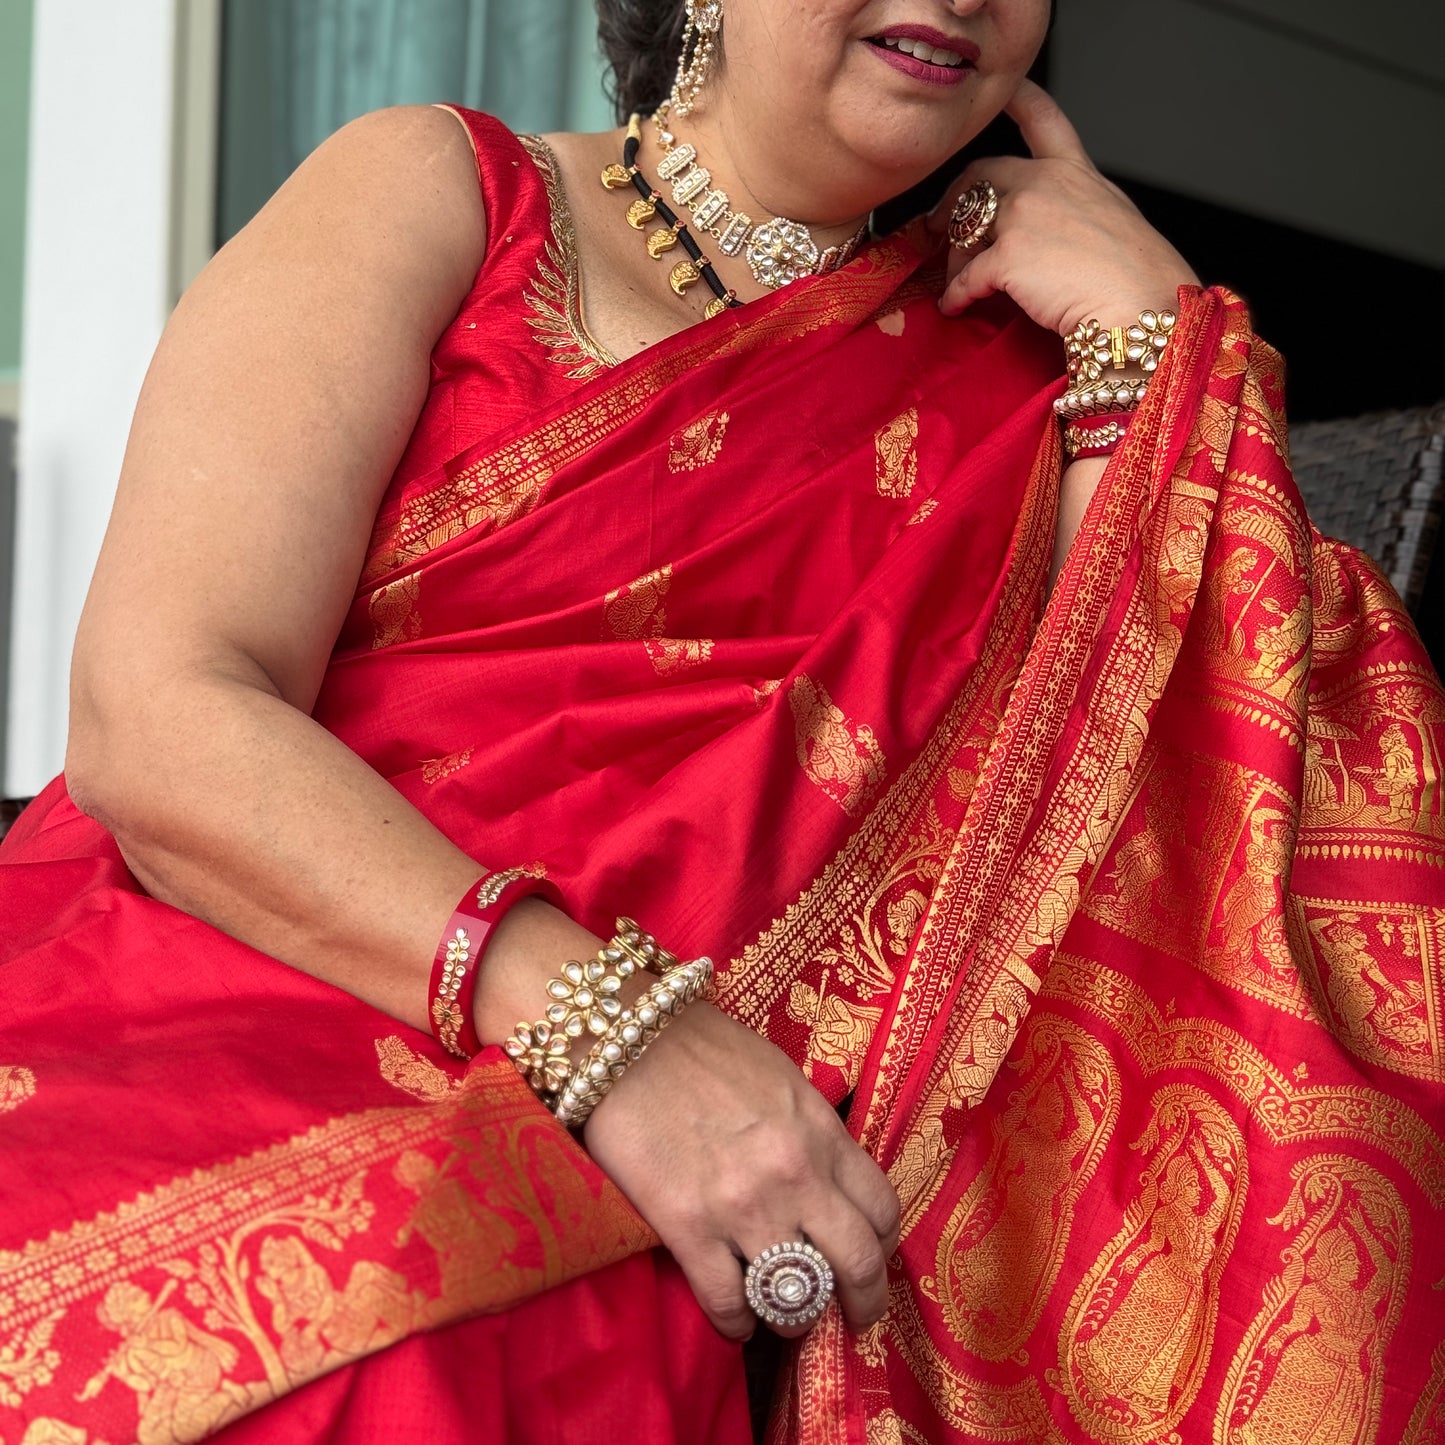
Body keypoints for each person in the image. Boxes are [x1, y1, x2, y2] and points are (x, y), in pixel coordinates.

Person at [1, 0, 1441, 1441]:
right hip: (254, 968)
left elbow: (1142, 814)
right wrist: (618, 1039)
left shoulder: (1036, 377)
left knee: (453, 1330)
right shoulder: (443, 197)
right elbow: (161, 707)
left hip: (668, 1167)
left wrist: (1149, 338)